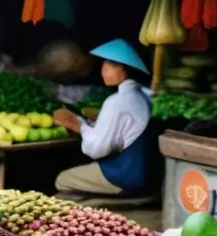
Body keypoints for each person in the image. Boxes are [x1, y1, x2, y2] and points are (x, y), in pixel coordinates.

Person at [52, 39, 153, 196]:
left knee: (62, 179)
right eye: (104, 64)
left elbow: (97, 149)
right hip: (145, 173)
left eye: (111, 65)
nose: (103, 69)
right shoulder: (145, 96)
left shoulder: (116, 102)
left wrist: (81, 125)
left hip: (126, 175)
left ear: (125, 70)